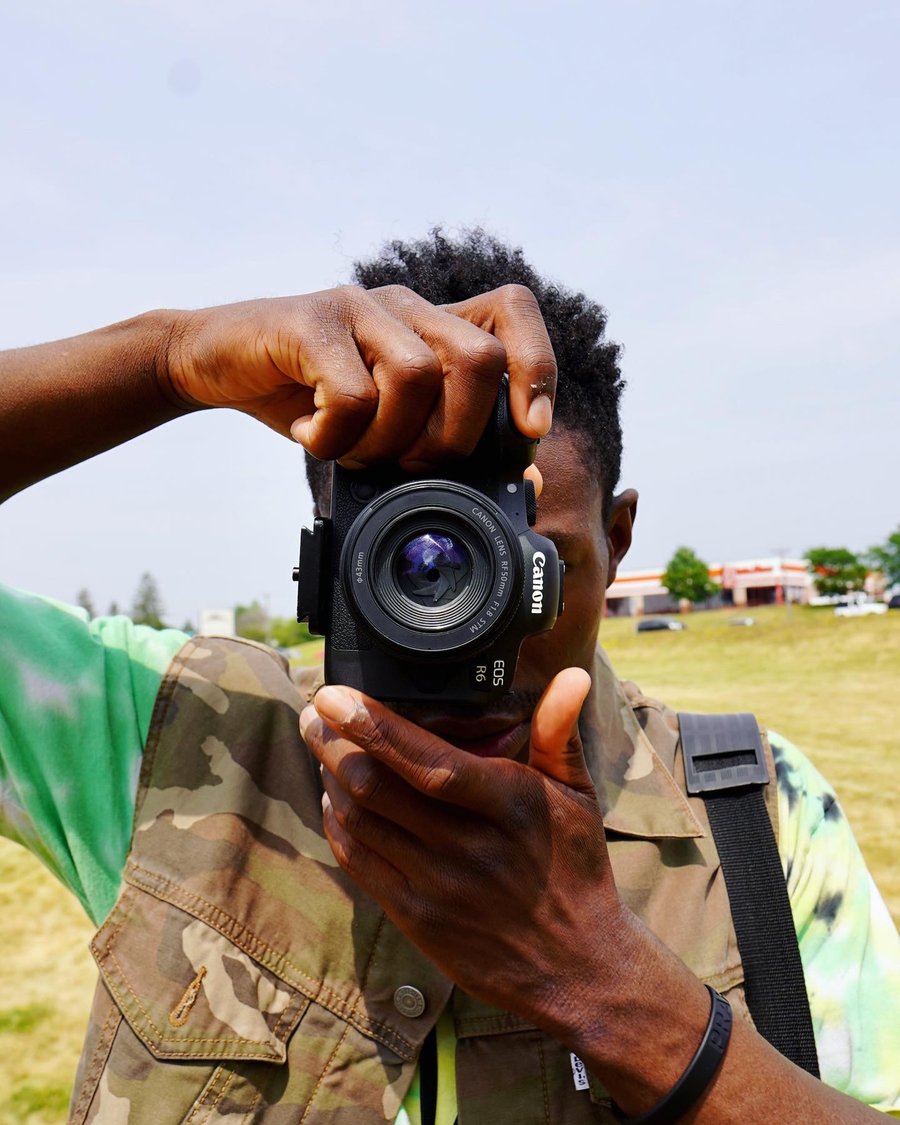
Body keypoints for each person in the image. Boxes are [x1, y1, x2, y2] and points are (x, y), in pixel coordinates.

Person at [0, 230, 897, 1123]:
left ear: (617, 541)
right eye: (414, 565)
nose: (475, 626)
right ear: (324, 559)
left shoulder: (753, 814)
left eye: (530, 563)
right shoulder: (185, 730)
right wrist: (169, 358)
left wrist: (610, 984)